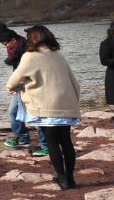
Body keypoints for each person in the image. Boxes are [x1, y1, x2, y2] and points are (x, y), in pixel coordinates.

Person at [6, 25, 82, 189]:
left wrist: (11, 88)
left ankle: (61, 179)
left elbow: (14, 79)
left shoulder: (30, 56)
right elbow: (74, 82)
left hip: (45, 105)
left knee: (52, 143)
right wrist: (74, 102)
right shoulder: (58, 55)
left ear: (33, 39)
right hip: (65, 104)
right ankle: (71, 179)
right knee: (67, 142)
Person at [0, 24, 42, 153]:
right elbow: (17, 71)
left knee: (36, 113)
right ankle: (23, 137)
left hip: (30, 86)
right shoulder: (14, 50)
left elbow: (26, 70)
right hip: (19, 86)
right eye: (3, 45)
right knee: (13, 112)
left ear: (14, 40)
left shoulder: (27, 49)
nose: (6, 47)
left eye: (7, 44)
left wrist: (15, 85)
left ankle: (45, 143)